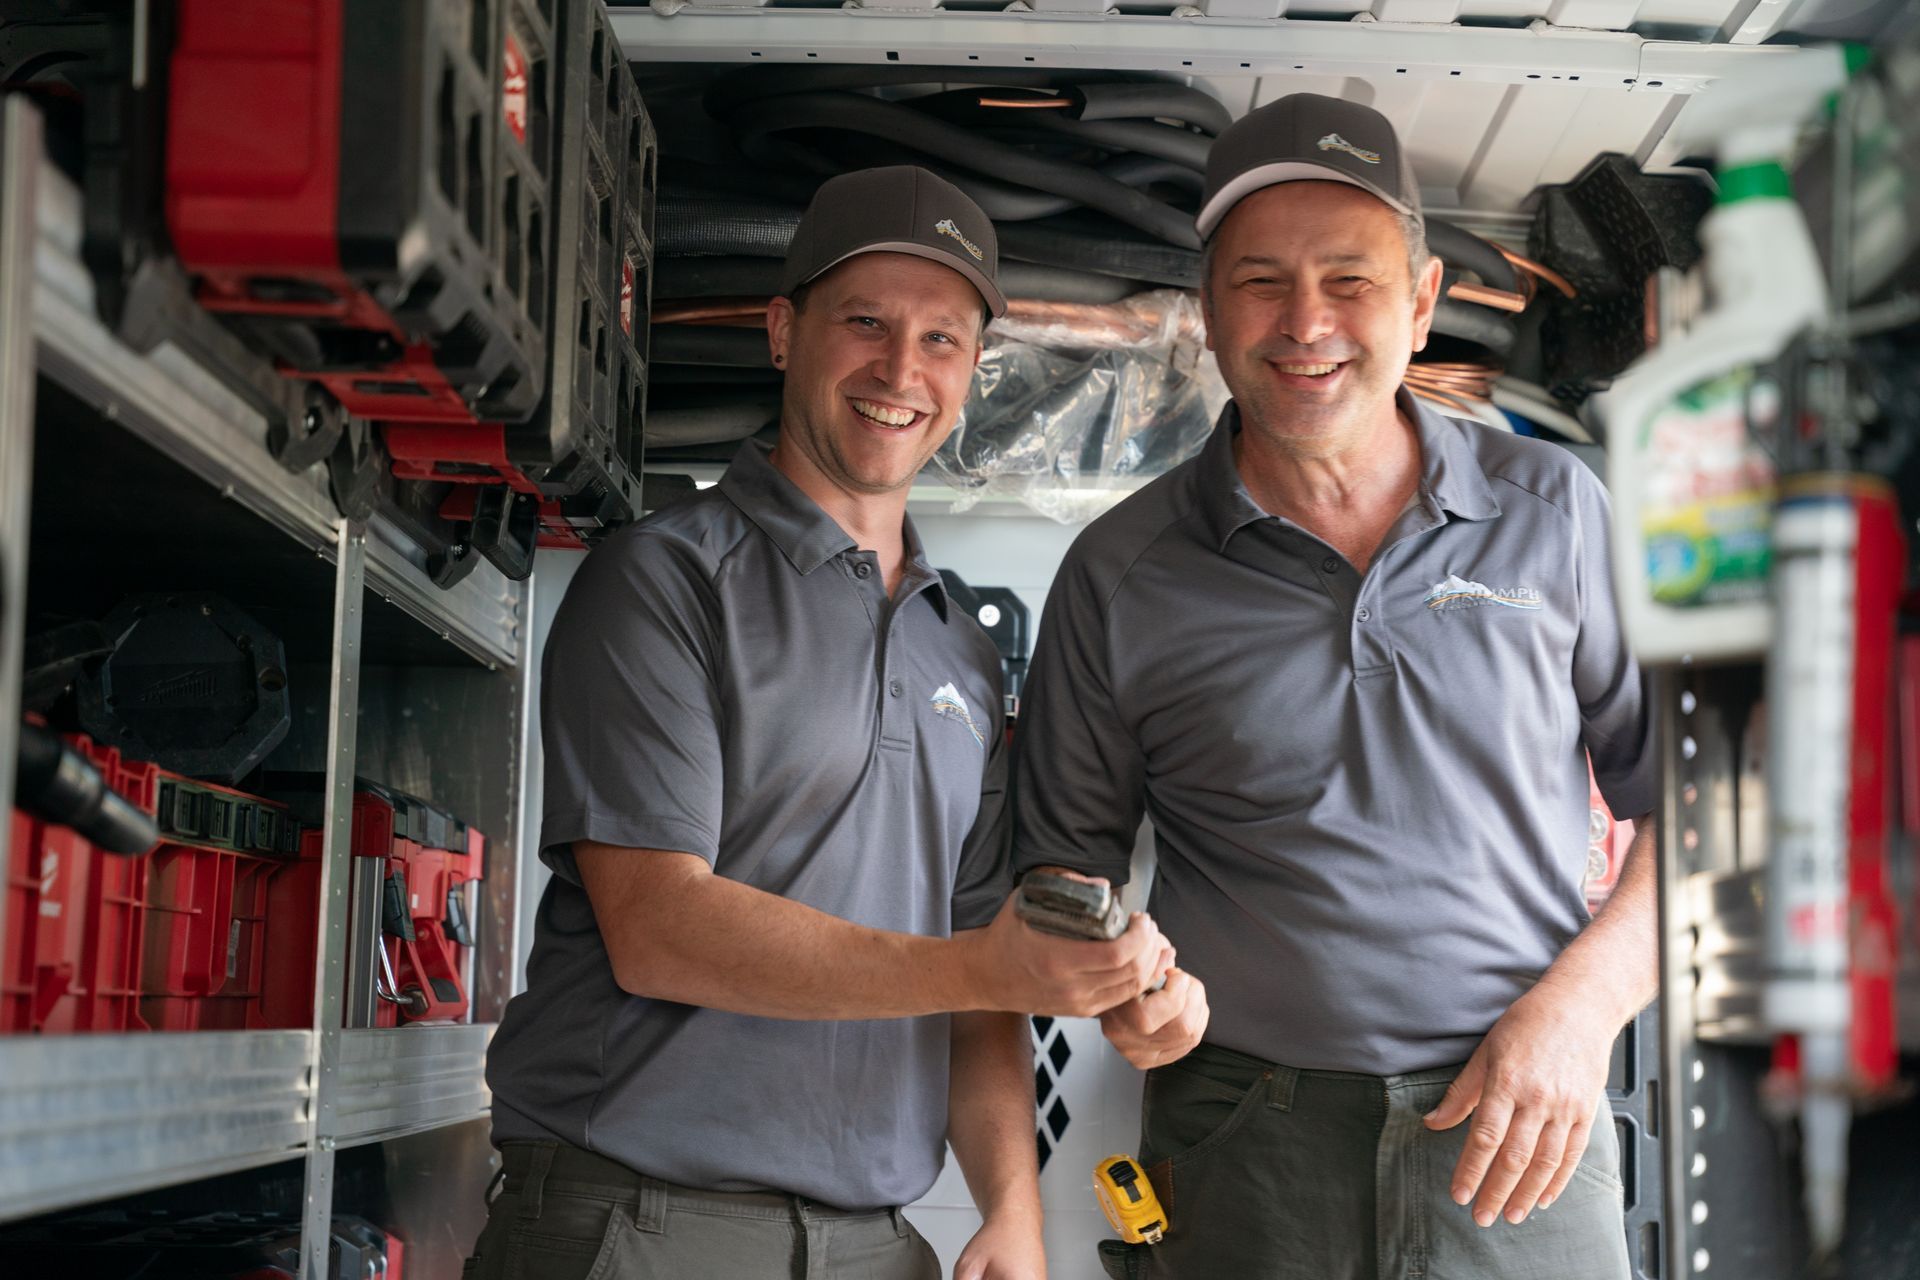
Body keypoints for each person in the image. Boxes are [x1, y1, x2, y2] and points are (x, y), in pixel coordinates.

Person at [476, 166, 1172, 1280]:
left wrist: (1011, 1205)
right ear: (783, 330)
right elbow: (658, 924)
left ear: (972, 373)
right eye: (866, 323)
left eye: (943, 340)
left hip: (872, 1243)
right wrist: (980, 965)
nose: (902, 369)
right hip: (639, 1222)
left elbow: (976, 971)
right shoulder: (664, 579)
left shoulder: (961, 648)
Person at [1015, 94, 1657, 1280]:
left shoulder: (1556, 512)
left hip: (1525, 1119)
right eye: (1259, 280)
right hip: (1247, 1140)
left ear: (1419, 301)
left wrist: (1580, 1016)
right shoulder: (1119, 570)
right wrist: (1116, 992)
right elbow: (1063, 875)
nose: (1305, 321)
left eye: (1349, 280)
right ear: (1208, 311)